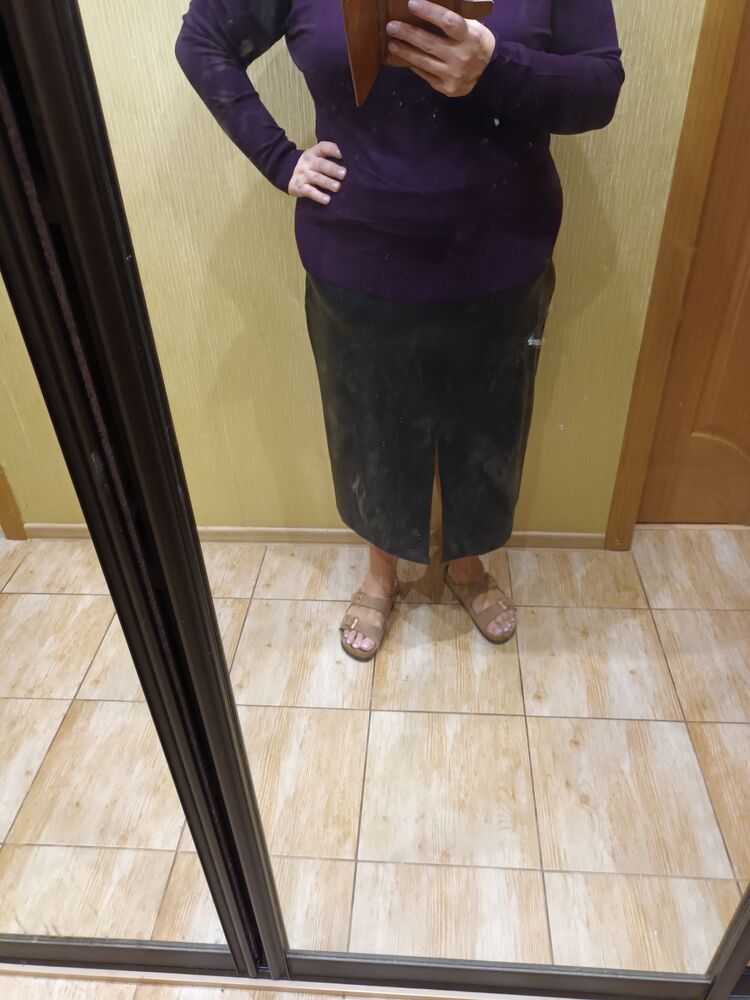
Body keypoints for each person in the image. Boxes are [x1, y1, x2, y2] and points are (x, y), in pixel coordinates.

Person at [175, 0, 624, 661]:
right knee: (371, 429)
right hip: (358, 255)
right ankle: (380, 573)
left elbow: (599, 88)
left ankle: (466, 565)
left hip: (501, 253)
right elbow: (202, 41)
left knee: (488, 427)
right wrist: (279, 159)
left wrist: (494, 65)